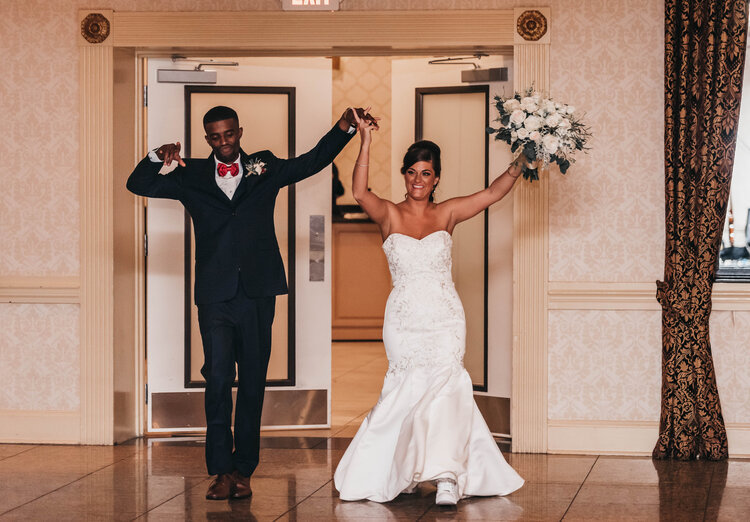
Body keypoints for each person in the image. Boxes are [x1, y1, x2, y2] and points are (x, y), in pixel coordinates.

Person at [127, 105, 375, 501]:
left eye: (229, 134)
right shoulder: (190, 175)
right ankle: (221, 471)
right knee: (218, 380)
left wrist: (344, 127)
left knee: (253, 381)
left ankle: (244, 471)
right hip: (215, 295)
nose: (223, 142)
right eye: (215, 137)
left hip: (258, 292)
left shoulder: (265, 166)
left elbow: (311, 161)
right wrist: (158, 156)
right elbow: (138, 184)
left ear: (239, 132)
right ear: (207, 138)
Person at [333, 111, 525, 505]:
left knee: (447, 391)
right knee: (404, 391)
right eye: (411, 173)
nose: (417, 180)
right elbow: (360, 192)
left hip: (445, 318)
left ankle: (447, 475)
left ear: (436, 178)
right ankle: (402, 468)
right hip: (403, 320)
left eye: (426, 173)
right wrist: (365, 141)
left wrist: (525, 159)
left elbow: (492, 193)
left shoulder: (447, 212)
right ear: (404, 175)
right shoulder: (389, 213)